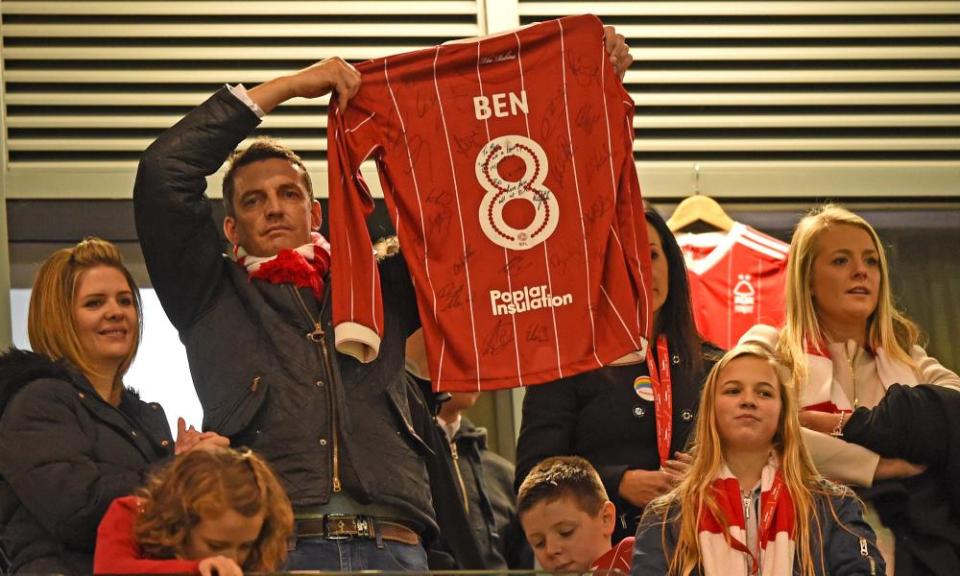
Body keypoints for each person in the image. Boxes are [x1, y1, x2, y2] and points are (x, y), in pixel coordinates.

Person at [133, 29, 635, 570]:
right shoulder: (209, 294)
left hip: (398, 545)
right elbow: (164, 174)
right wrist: (290, 86)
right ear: (230, 228)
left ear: (315, 213)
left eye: (289, 194)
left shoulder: (379, 281)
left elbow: (483, 210)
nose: (274, 209)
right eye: (254, 201)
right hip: (277, 547)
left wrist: (579, 84)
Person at [739, 203, 960, 573]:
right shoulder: (768, 350)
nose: (861, 271)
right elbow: (756, 430)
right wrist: (877, 465)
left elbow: (952, 415)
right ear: (807, 279)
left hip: (914, 555)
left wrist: (831, 428)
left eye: (871, 262)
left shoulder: (912, 360)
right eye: (841, 261)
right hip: (800, 551)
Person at [0, 238, 225, 575]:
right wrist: (178, 471)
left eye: (125, 300)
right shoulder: (37, 402)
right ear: (58, 318)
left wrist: (197, 473)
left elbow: (155, 525)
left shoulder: (144, 416)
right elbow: (75, 510)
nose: (116, 311)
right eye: (94, 303)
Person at [515, 206, 722, 542]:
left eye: (652, 255)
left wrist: (708, 476)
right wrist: (618, 482)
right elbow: (531, 477)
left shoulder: (716, 366)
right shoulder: (566, 363)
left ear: (671, 266)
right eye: (626, 258)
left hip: (701, 550)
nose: (643, 271)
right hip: (604, 553)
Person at [633, 343, 883, 576]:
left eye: (764, 393)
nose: (748, 401)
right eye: (733, 391)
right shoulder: (666, 516)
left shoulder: (834, 507)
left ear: (783, 413)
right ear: (710, 408)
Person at [94, 448, 293, 576]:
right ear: (179, 521)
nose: (232, 560)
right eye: (215, 545)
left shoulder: (260, 550)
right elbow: (110, 570)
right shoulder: (131, 513)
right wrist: (197, 569)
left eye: (246, 547)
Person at [437, 391, 532, 570]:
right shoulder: (406, 462)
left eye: (480, 361)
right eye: (461, 361)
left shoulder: (504, 473)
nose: (474, 368)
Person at [517, 455, 634, 573]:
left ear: (606, 518)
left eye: (566, 532)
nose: (551, 550)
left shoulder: (640, 560)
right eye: (539, 543)